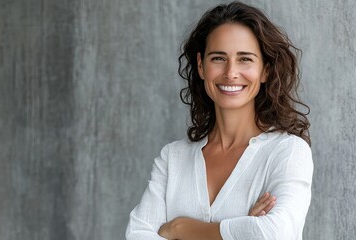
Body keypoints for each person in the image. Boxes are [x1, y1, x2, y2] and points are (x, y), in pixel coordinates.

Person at [126, 1, 313, 240]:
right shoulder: (173, 158)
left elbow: (275, 233)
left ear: (265, 70)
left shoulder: (287, 152)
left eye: (245, 59)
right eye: (218, 58)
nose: (230, 72)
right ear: (201, 66)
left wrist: (180, 228)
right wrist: (240, 229)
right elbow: (136, 235)